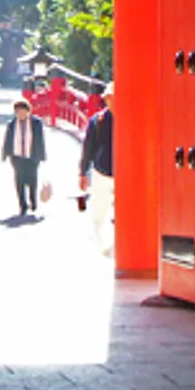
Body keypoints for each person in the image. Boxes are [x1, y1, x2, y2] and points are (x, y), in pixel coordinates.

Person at [79, 82, 116, 258]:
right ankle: (103, 245)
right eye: (109, 98)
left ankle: (117, 245)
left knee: (122, 212)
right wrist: (82, 171)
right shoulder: (98, 120)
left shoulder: (131, 118)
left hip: (125, 173)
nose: (112, 101)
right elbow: (88, 148)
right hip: (102, 170)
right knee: (99, 211)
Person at [1, 99, 47, 216]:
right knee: (19, 180)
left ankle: (33, 200)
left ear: (28, 111)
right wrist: (5, 154)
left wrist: (41, 155)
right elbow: (7, 140)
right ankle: (23, 205)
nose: (20, 114)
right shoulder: (12, 124)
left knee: (32, 180)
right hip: (17, 156)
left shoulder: (36, 123)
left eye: (23, 111)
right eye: (18, 111)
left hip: (32, 156)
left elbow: (40, 140)